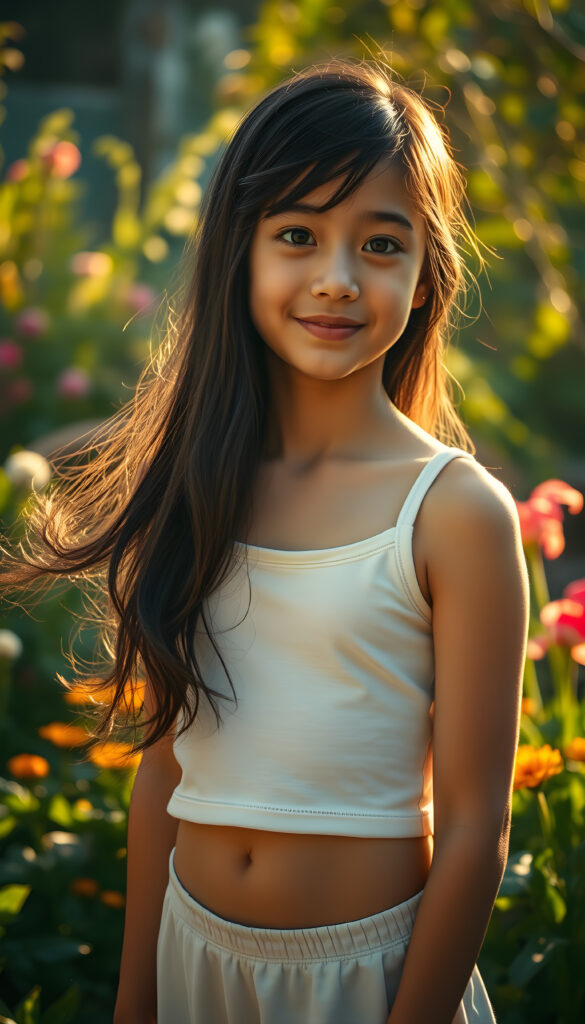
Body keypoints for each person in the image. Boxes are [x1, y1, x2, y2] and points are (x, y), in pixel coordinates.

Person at [2, 58, 529, 1023]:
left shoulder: (456, 514)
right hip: (192, 956)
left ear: (424, 276)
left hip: (364, 981)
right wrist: (135, 1005)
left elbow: (472, 830)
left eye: (379, 244)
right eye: (297, 235)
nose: (335, 279)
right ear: (237, 252)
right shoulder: (197, 486)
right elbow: (166, 769)